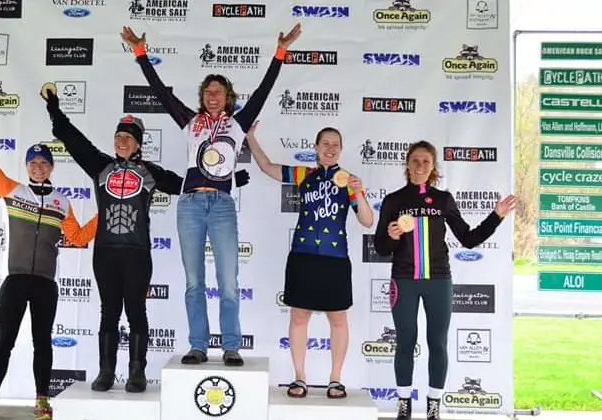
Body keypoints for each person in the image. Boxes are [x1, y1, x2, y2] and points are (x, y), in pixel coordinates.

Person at [120, 23, 302, 367]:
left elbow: (264, 91)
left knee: (228, 281)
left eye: (219, 91)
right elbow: (161, 93)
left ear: (228, 97)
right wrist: (141, 53)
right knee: (193, 282)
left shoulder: (238, 122)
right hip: (189, 204)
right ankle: (198, 346)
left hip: (221, 205)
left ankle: (231, 346)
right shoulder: (190, 121)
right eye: (208, 91)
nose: (213, 95)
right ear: (202, 98)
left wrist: (279, 53)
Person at [0, 111, 98, 420]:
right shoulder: (12, 190)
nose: (38, 167)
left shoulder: (61, 201)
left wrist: (108, 211)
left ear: (52, 167)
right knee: (3, 342)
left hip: (45, 283)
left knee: (43, 344)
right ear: (27, 167)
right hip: (16, 280)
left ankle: (42, 401)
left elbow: (78, 235)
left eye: (44, 163)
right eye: (33, 163)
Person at [41, 89, 186, 393]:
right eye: (118, 136)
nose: (121, 141)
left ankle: (137, 373)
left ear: (138, 144)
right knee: (109, 310)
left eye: (128, 138)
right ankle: (106, 371)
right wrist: (55, 110)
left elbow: (189, 184)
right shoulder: (100, 165)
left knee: (136, 311)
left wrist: (226, 179)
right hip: (105, 251)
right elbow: (73, 139)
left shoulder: (150, 172)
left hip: (137, 252)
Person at [373, 140, 516, 420]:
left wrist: (496, 216)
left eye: (426, 161)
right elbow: (380, 248)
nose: (420, 166)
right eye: (415, 161)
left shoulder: (443, 200)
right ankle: (404, 404)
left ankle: (433, 405)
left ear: (433, 166)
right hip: (404, 280)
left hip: (438, 281)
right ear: (407, 164)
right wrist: (390, 236)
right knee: (405, 341)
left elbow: (469, 239)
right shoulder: (393, 200)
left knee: (437, 342)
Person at [245, 121, 374, 398]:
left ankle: (335, 379)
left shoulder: (348, 181)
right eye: (325, 144)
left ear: (341, 150)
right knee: (299, 316)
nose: (330, 149)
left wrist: (359, 192)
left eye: (335, 145)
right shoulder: (304, 174)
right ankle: (300, 377)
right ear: (316, 148)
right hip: (303, 256)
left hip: (335, 258)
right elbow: (267, 167)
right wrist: (250, 137)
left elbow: (367, 220)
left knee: (338, 320)